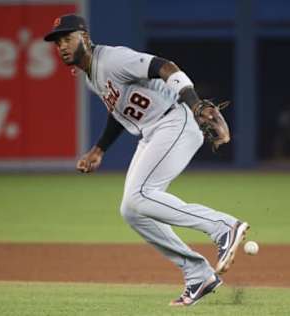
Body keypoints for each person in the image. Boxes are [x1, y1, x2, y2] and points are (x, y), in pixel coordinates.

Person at [44, 14, 249, 307]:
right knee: (131, 209)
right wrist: (99, 149)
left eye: (67, 38)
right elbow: (117, 109)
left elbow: (165, 67)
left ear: (85, 37)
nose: (62, 46)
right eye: (57, 42)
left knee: (140, 196)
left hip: (175, 119)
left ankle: (223, 227)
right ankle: (198, 275)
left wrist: (194, 105)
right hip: (152, 132)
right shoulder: (91, 76)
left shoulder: (112, 59)